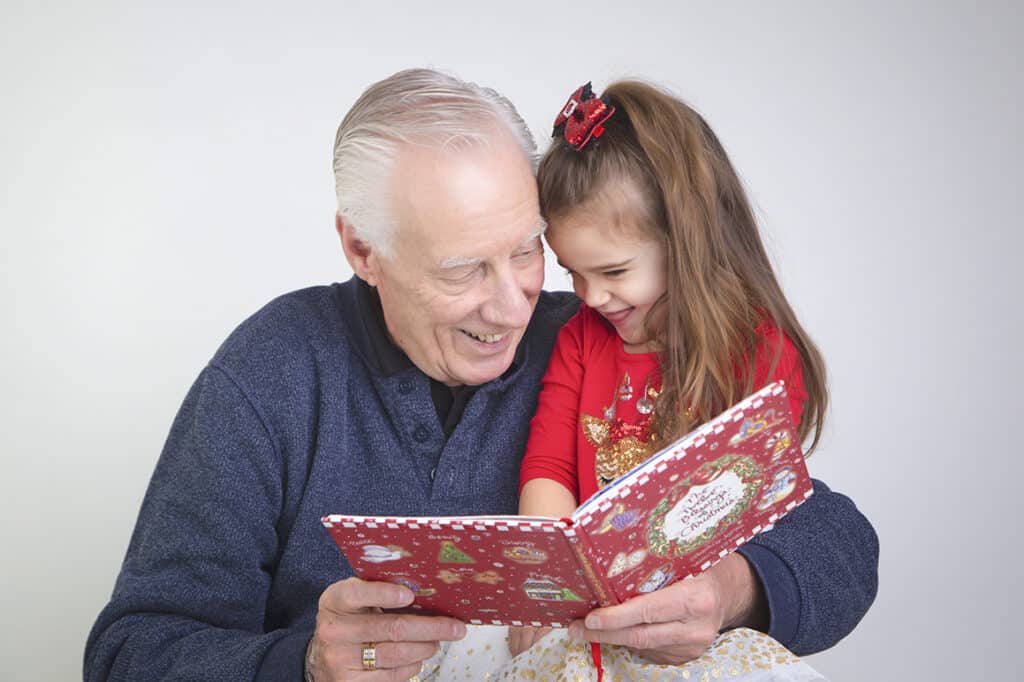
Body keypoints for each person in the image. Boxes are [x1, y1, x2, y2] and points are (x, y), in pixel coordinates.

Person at [84, 69, 878, 682]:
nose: (512, 306)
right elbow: (128, 652)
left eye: (528, 249)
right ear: (363, 250)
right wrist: (304, 664)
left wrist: (734, 590)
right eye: (464, 269)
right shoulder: (271, 373)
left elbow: (837, 537)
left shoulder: (596, 336)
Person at [505, 80, 869, 678]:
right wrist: (543, 584)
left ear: (686, 240)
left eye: (614, 270)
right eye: (573, 272)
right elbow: (547, 468)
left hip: (693, 625)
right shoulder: (579, 339)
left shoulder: (757, 354)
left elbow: (753, 502)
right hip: (586, 614)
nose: (591, 296)